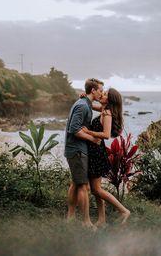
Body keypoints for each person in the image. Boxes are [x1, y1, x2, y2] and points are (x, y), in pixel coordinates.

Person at [82, 88, 130, 226]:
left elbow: (106, 134)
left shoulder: (107, 114)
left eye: (105, 94)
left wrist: (88, 131)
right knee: (96, 190)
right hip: (95, 150)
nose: (102, 95)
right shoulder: (103, 110)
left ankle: (124, 211)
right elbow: (91, 104)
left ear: (110, 100)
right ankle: (102, 219)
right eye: (102, 92)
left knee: (96, 189)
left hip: (97, 152)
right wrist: (86, 97)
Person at [64, 78, 104, 227]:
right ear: (93, 90)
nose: (101, 93)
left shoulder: (85, 103)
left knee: (75, 183)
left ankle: (70, 218)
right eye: (100, 90)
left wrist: (104, 105)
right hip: (77, 150)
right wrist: (92, 139)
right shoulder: (82, 106)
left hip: (75, 149)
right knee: (83, 186)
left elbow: (102, 108)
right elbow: (74, 129)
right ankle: (86, 223)